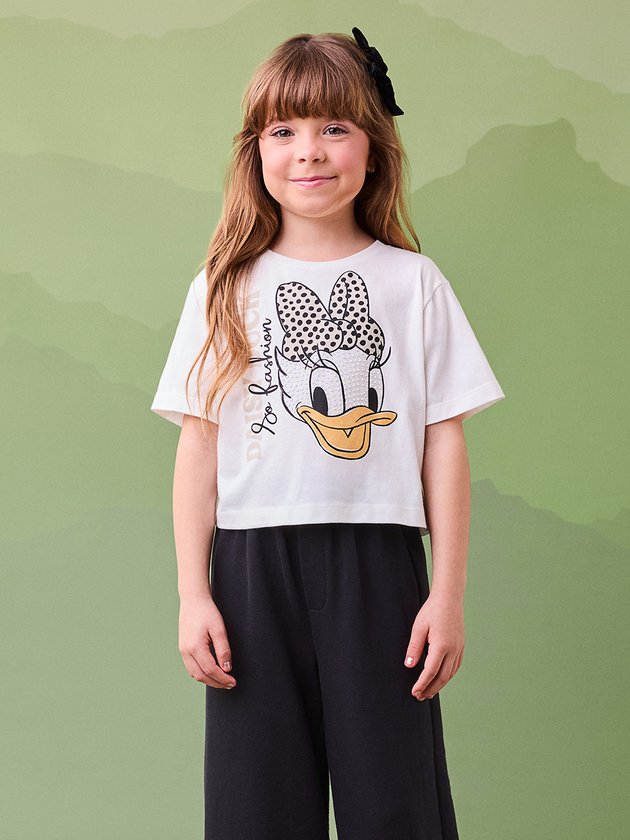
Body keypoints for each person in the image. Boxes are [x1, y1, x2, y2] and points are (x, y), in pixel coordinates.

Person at [150, 26, 505, 840]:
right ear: (256, 153)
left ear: (373, 149)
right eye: (284, 130)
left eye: (334, 127)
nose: (309, 151)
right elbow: (198, 444)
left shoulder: (414, 284)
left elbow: (443, 441)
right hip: (249, 571)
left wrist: (446, 596)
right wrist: (194, 593)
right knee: (255, 807)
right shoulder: (222, 287)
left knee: (397, 802)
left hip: (381, 568)